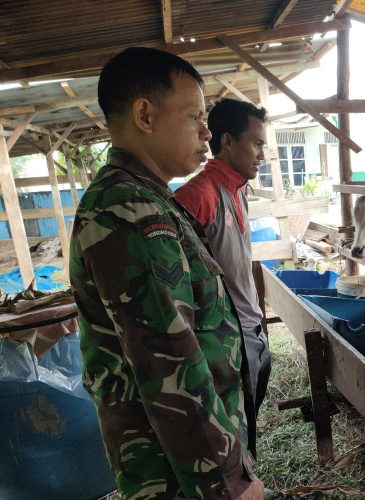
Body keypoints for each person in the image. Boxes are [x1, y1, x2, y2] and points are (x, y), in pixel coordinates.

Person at [69, 47, 266, 500]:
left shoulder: (148, 200)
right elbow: (170, 365)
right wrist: (228, 482)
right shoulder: (129, 212)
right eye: (194, 116)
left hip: (190, 458)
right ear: (145, 115)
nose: (205, 130)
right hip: (180, 472)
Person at [175, 98, 272, 415]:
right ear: (227, 141)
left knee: (248, 423)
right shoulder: (198, 194)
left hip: (251, 329)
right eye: (256, 144)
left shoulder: (239, 188)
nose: (262, 155)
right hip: (225, 342)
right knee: (232, 428)